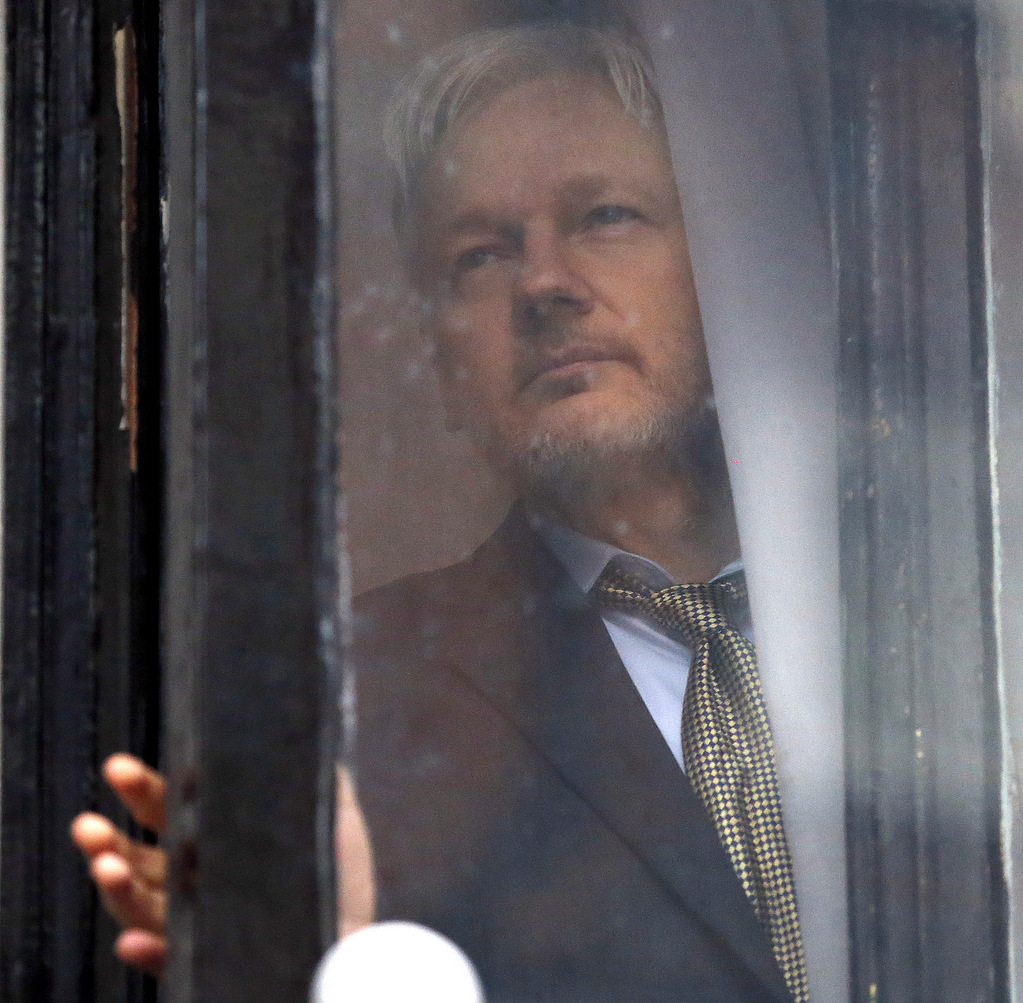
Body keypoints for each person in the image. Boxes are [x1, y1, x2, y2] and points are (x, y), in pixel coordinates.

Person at [72, 22, 809, 1003]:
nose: (542, 283)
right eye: (479, 256)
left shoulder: (952, 618)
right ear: (444, 368)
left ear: (727, 267)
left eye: (603, 216)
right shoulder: (360, 703)